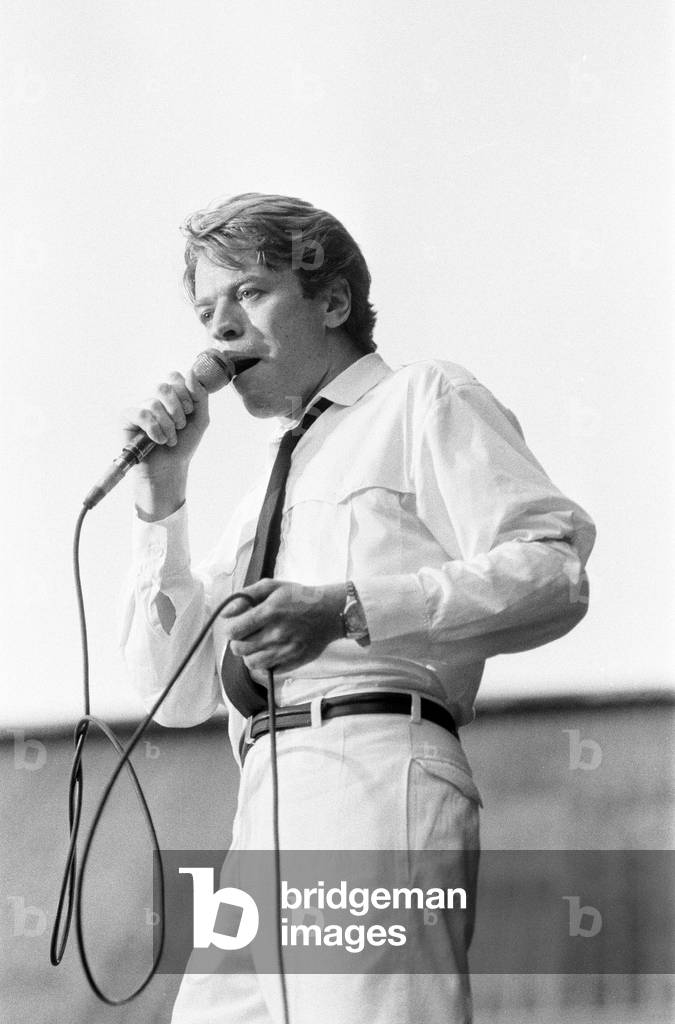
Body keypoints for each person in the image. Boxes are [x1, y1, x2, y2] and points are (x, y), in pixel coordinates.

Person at [120, 192, 595, 1024]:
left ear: (332, 301)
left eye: (250, 293)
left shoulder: (423, 398)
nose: (220, 328)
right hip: (261, 795)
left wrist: (346, 609)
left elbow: (551, 573)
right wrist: (161, 501)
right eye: (206, 309)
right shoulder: (270, 481)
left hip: (369, 768)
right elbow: (178, 688)